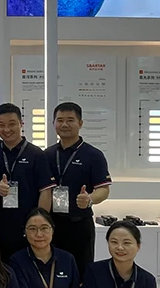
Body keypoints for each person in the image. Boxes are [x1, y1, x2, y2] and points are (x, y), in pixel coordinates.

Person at [45, 102, 111, 274]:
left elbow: (104, 189)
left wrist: (90, 199)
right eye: (60, 120)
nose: (64, 124)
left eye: (70, 120)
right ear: (53, 123)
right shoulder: (47, 155)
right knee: (51, 271)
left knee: (81, 273)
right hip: (51, 224)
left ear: (80, 123)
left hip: (79, 225)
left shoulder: (94, 155)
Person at [0, 103, 56, 260]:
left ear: (21, 124)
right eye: (1, 125)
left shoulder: (36, 154)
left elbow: (45, 190)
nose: (6, 129)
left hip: (26, 226)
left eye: (12, 124)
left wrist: (39, 224)